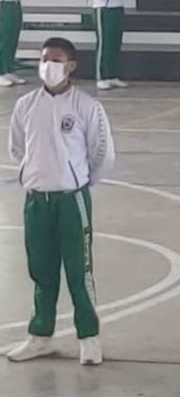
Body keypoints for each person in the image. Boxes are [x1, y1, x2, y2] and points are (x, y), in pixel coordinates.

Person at [6, 37, 115, 365]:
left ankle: (89, 337)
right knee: (41, 270)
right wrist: (35, 174)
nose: (48, 66)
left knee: (79, 271)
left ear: (70, 66)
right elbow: (17, 147)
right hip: (36, 202)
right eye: (44, 60)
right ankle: (40, 336)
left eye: (56, 60)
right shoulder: (26, 105)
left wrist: (77, 181)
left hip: (71, 201)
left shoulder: (87, 106)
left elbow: (101, 153)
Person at [88, 0, 129, 91]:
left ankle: (112, 74)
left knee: (115, 43)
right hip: (103, 8)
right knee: (104, 43)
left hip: (117, 7)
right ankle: (101, 76)